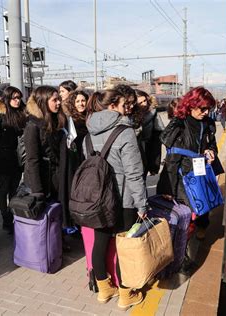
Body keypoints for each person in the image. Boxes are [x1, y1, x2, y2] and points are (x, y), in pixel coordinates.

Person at [86, 89, 147, 310]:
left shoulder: (89, 130)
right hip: (124, 200)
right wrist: (141, 203)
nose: (129, 107)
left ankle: (103, 290)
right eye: (125, 104)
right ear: (112, 105)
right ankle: (125, 294)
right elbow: (133, 173)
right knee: (125, 247)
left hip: (99, 199)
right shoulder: (125, 131)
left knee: (100, 242)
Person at [157, 87, 218, 240]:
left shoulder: (208, 124)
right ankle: (182, 247)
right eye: (202, 108)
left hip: (201, 171)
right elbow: (171, 158)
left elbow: (212, 144)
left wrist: (211, 151)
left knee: (203, 206)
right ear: (191, 104)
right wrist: (166, 187)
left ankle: (201, 226)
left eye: (208, 109)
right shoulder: (179, 124)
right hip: (180, 175)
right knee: (185, 213)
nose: (206, 112)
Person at [0, 86, 27, 233]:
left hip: (18, 159)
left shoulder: (23, 114)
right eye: (14, 98)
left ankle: (12, 215)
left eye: (19, 98)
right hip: (3, 159)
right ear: (7, 99)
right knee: (3, 189)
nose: (17, 101)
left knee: (14, 190)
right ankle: (6, 219)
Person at [24, 85, 66, 200]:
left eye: (59, 100)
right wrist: (37, 191)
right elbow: (32, 160)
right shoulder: (33, 126)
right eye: (54, 100)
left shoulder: (56, 121)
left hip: (57, 178)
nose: (58, 103)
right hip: (44, 183)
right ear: (43, 102)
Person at [59, 90, 88, 231]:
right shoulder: (69, 120)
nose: (81, 104)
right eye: (77, 101)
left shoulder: (90, 117)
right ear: (72, 103)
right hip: (74, 161)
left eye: (83, 100)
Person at [134, 90, 165, 179]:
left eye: (145, 101)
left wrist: (155, 164)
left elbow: (157, 138)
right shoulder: (130, 116)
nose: (144, 104)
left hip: (147, 149)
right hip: (134, 149)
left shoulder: (153, 113)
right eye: (140, 102)